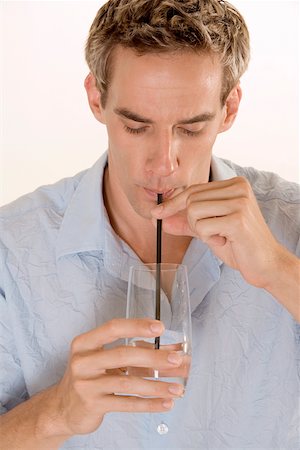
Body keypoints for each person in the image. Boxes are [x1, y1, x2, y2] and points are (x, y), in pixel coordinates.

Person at [0, 0, 299, 448]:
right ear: (96, 99)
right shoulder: (12, 247)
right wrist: (55, 414)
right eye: (136, 127)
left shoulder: (291, 220)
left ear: (230, 108)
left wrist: (281, 270)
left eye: (192, 128)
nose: (163, 164)